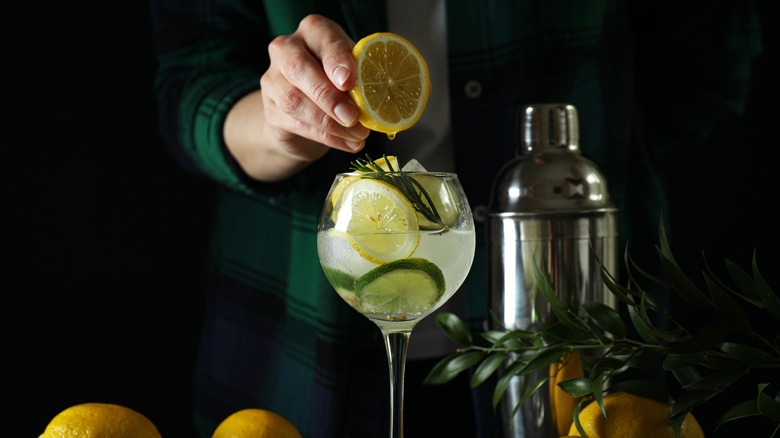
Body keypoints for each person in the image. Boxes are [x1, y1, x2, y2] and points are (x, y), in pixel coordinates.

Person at [149, 1, 761, 437]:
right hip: (304, 348)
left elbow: (709, 48)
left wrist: (591, 150)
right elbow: (194, 76)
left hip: (573, 333)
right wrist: (281, 128)